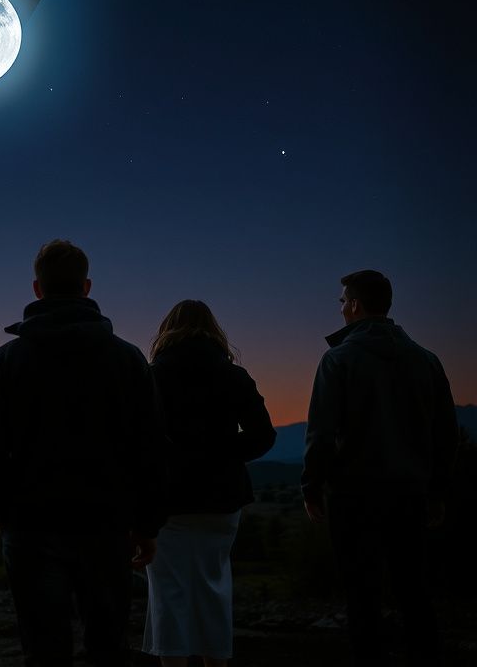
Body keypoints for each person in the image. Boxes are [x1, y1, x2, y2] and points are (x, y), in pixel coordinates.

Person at [0, 239, 167, 667]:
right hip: (107, 524)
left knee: (44, 649)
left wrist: (0, 513)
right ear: (87, 287)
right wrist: (147, 523)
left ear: (37, 289)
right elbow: (150, 447)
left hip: (30, 525)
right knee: (108, 646)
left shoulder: (7, 360)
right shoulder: (128, 360)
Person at [302, 269, 458, 667]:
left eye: (342, 302)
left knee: (362, 595)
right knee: (414, 591)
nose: (340, 309)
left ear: (355, 304)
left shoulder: (338, 359)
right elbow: (444, 434)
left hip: (354, 498)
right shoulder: (428, 360)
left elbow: (320, 434)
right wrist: (438, 490)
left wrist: (311, 487)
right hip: (410, 494)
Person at [141, 299, 276, 667]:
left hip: (168, 501)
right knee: (214, 587)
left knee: (169, 592)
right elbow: (263, 436)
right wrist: (222, 453)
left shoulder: (151, 376)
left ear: (167, 331)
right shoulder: (234, 376)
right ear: (213, 330)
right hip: (222, 499)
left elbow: (138, 441)